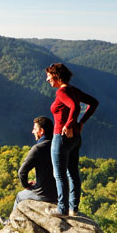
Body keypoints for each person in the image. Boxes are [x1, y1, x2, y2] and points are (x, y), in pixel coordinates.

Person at [45, 62, 99, 216]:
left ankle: (62, 209)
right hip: (75, 138)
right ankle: (73, 208)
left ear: (56, 75)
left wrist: (68, 124)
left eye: (49, 76)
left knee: (59, 174)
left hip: (61, 137)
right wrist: (81, 123)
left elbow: (75, 106)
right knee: (73, 173)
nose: (47, 80)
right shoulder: (74, 90)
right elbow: (94, 103)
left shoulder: (62, 93)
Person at [3, 116, 56, 222]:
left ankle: (11, 222)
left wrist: (26, 185)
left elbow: (22, 172)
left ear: (41, 131)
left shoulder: (38, 148)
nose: (32, 131)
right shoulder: (58, 146)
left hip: (44, 194)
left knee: (19, 196)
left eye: (35, 129)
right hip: (58, 193)